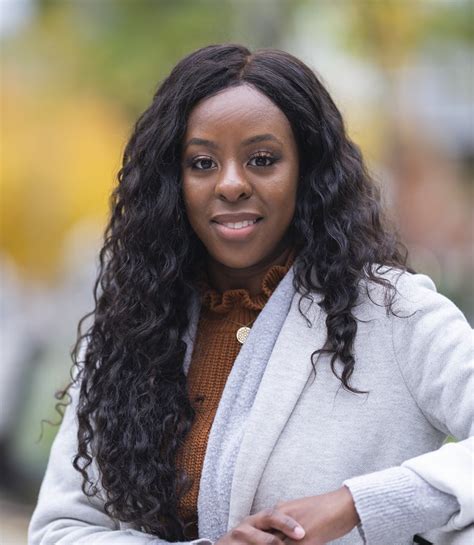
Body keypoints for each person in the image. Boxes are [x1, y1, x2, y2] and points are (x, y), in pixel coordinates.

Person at [28, 44, 473, 545]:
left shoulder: (393, 313)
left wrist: (356, 505)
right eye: (202, 163)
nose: (232, 184)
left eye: (262, 159)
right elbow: (62, 530)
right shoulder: (131, 331)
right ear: (172, 182)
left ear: (309, 172)